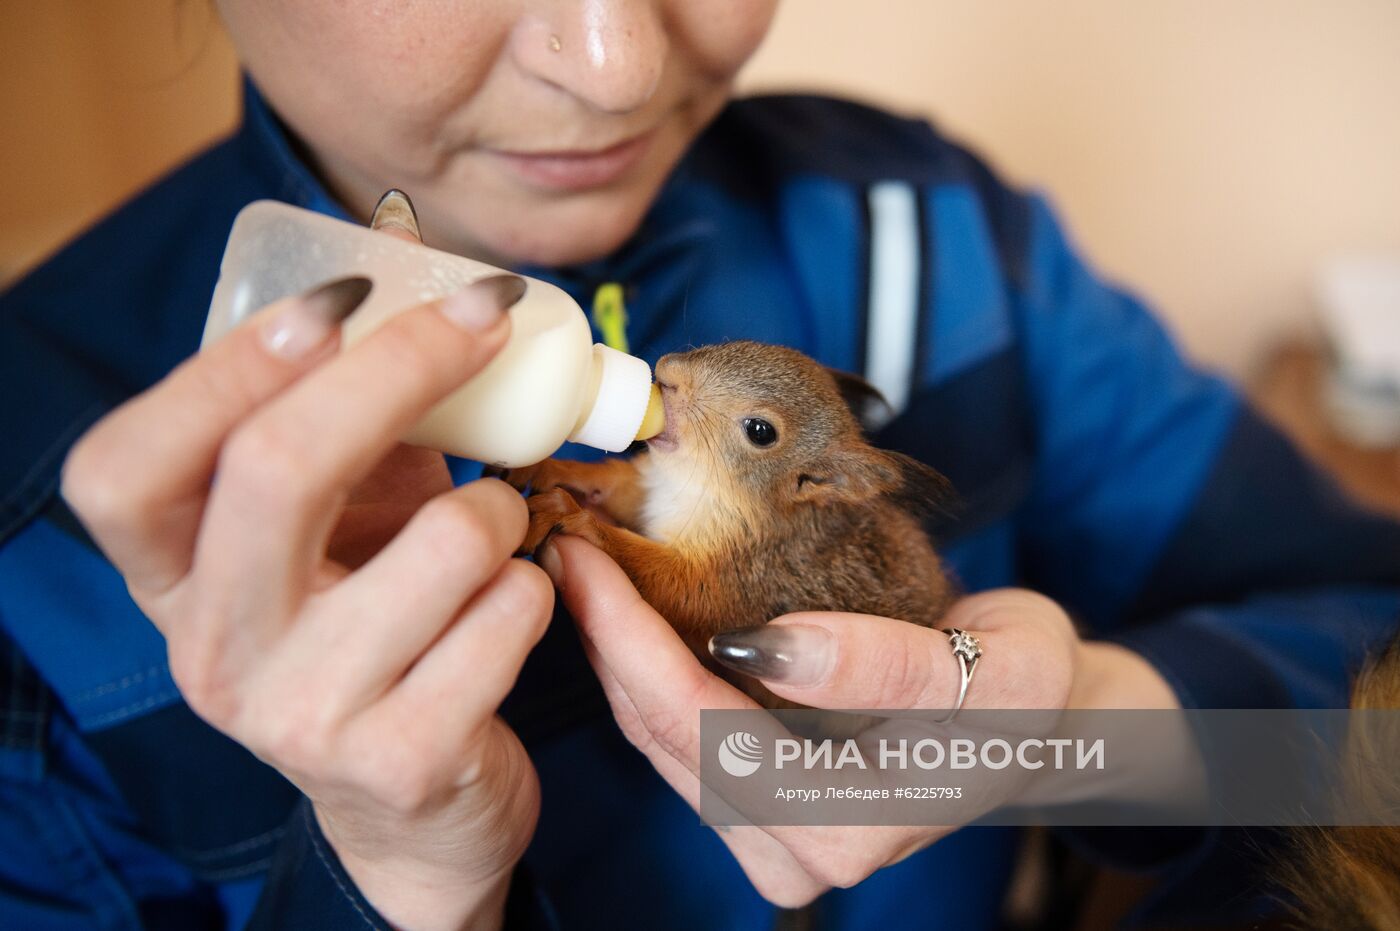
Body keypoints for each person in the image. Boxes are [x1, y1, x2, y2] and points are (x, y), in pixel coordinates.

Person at [2, 2, 1398, 928]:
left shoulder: (940, 235)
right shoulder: (40, 493)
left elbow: (1361, 656)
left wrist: (1091, 728)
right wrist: (395, 881)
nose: (614, 61)